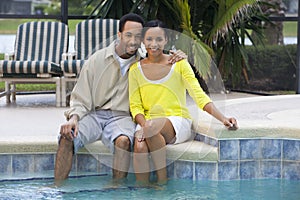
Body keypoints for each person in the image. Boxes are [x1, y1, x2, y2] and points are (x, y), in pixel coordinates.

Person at [54, 13, 186, 182]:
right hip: (94, 114)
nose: (133, 41)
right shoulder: (97, 60)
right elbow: (81, 96)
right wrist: (73, 118)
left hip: (122, 117)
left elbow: (163, 58)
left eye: (138, 36)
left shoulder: (145, 64)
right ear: (119, 35)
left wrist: (180, 56)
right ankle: (57, 189)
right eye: (128, 35)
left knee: (123, 141)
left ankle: (117, 190)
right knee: (67, 136)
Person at [128, 20, 238, 184]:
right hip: (148, 122)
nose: (154, 44)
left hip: (177, 121)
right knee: (139, 147)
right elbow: (135, 106)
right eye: (149, 39)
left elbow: (198, 95)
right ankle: (141, 192)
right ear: (143, 41)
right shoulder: (135, 70)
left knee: (150, 128)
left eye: (159, 39)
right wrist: (144, 125)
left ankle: (162, 184)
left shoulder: (179, 64)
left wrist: (223, 118)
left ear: (166, 40)